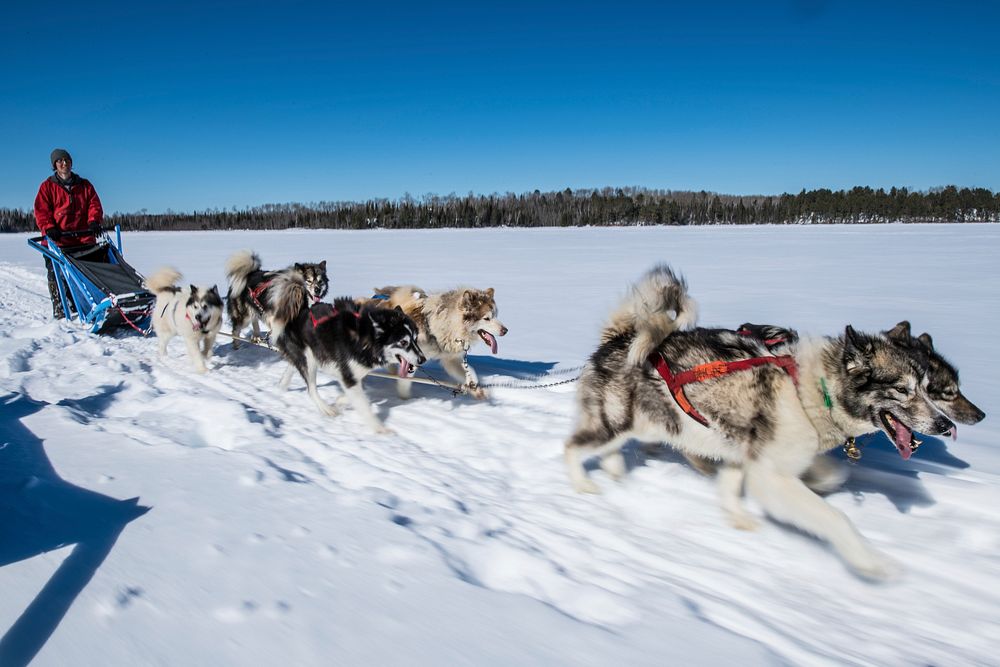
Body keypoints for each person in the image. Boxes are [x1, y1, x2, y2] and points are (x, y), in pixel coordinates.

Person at [33, 148, 105, 319]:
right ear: (54, 165)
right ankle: (59, 308)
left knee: (94, 271)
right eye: (60, 161)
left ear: (71, 163)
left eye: (66, 160)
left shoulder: (85, 185)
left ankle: (94, 303)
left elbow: (94, 205)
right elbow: (41, 211)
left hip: (83, 239)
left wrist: (94, 221)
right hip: (58, 241)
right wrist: (49, 227)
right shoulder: (47, 187)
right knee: (56, 274)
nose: (64, 164)